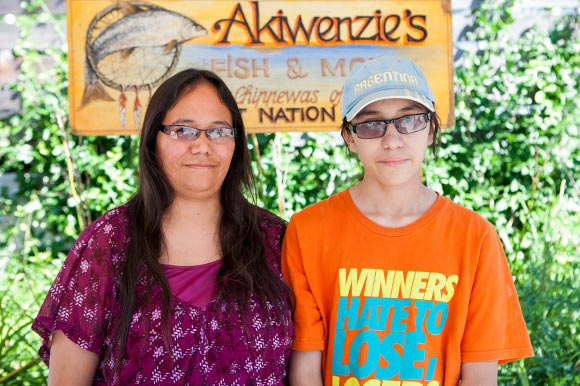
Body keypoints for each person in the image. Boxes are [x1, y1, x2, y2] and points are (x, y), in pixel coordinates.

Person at [282, 56, 533, 386]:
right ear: (349, 137)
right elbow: (306, 366)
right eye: (372, 124)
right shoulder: (307, 231)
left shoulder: (476, 238)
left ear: (430, 129)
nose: (392, 140)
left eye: (409, 120)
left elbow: (480, 375)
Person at [32, 69, 293, 385]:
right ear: (153, 140)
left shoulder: (275, 239)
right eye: (183, 130)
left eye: (219, 131)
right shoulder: (111, 242)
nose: (202, 145)